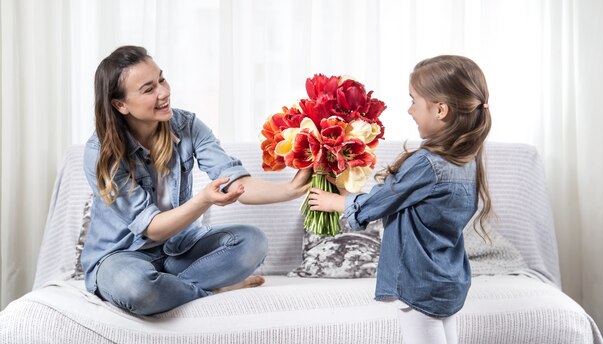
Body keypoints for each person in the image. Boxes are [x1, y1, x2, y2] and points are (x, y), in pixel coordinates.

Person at [81, 45, 311, 316]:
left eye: (161, 80)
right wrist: (203, 200)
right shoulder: (102, 153)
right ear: (120, 105)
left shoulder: (186, 125)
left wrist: (290, 190)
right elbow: (152, 228)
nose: (164, 93)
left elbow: (233, 179)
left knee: (253, 242)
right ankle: (213, 290)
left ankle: (172, 288)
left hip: (179, 249)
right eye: (148, 89)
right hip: (121, 256)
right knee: (137, 289)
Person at [308, 55, 492, 344]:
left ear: (440, 109)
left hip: (418, 282)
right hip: (448, 278)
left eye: (414, 101)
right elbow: (403, 202)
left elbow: (383, 200)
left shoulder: (427, 164)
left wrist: (336, 203)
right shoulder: (467, 161)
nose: (409, 110)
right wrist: (348, 194)